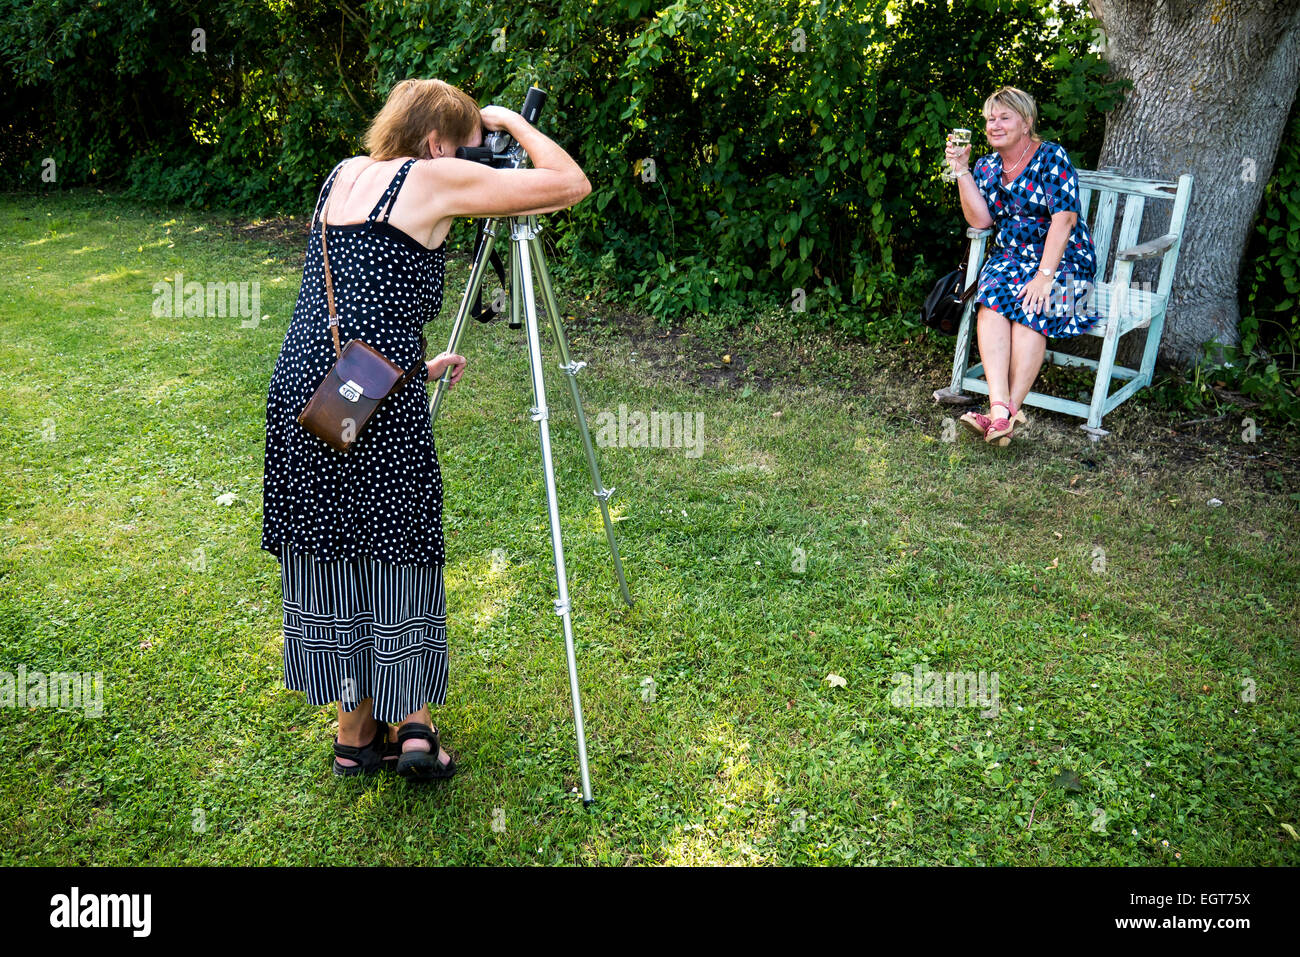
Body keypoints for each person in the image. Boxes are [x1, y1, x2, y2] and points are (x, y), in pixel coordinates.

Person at [261, 78, 591, 779]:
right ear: (438, 143)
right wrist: (506, 121)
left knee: (331, 550)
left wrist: (414, 367)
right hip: (369, 398)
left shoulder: (343, 174)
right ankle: (416, 728)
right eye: (471, 149)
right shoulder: (434, 178)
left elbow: (358, 295)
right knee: (398, 546)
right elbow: (569, 183)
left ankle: (354, 733)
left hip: (318, 391)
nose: (477, 162)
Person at [946, 86, 1100, 445]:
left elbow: (1064, 220)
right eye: (989, 119)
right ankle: (1001, 411)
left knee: (1033, 304)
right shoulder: (986, 167)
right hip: (1011, 259)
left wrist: (1045, 277)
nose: (994, 125)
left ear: (1027, 122)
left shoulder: (1051, 157)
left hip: (1062, 258)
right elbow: (981, 222)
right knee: (992, 299)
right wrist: (961, 171)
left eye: (1004, 117)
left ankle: (1006, 412)